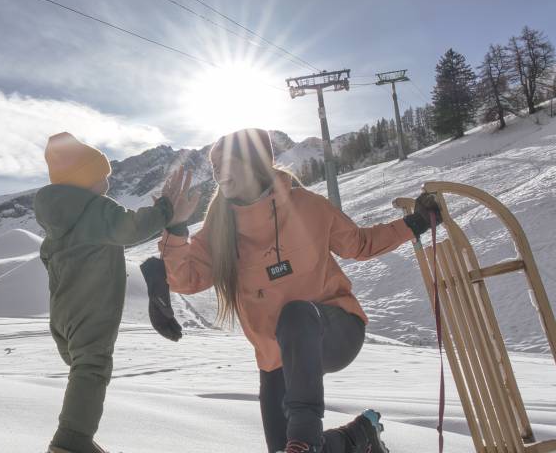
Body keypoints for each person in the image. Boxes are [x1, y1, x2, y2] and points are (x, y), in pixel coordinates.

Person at [143, 128, 441, 453]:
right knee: (285, 449)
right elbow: (187, 279)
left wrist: (414, 224)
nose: (217, 171)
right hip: (277, 356)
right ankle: (359, 436)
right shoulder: (220, 226)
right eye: (214, 165)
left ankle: (305, 437)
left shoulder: (307, 206)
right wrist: (175, 230)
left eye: (226, 162)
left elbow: (361, 244)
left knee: (297, 315)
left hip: (335, 330)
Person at [33, 132, 191, 453]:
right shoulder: (93, 209)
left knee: (84, 365)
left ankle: (77, 437)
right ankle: (71, 441)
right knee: (93, 366)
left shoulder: (57, 220)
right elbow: (131, 227)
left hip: (63, 313)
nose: (106, 184)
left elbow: (49, 259)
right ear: (83, 179)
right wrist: (165, 210)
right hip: (90, 308)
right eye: (100, 177)